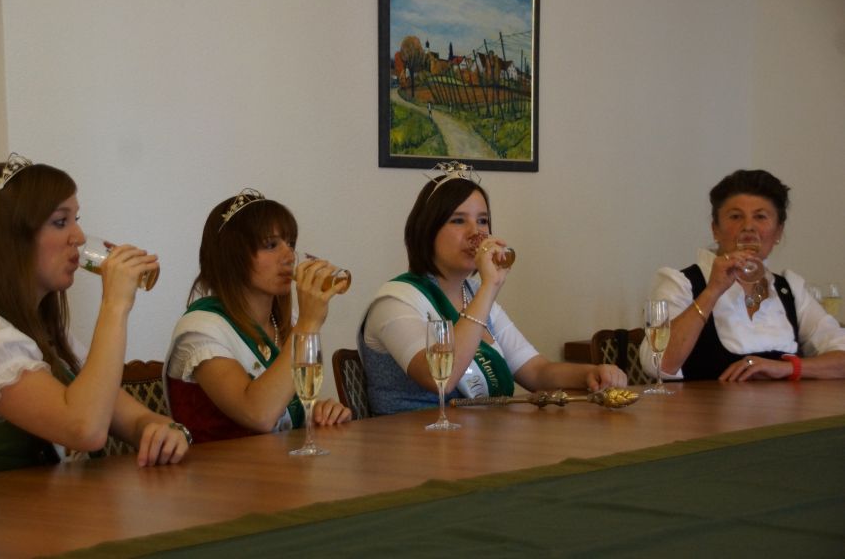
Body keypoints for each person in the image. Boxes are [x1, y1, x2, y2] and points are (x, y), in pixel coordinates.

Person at [0, 154, 190, 478]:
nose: (79, 236)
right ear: (11, 238)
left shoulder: (44, 331)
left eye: (76, 219)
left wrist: (164, 430)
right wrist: (115, 304)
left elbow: (132, 419)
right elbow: (85, 429)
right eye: (61, 222)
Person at [359, 162, 627, 416]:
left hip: (475, 436)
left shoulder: (474, 294)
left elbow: (536, 372)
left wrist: (590, 373)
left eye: (483, 221)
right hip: (410, 440)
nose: (476, 233)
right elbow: (441, 377)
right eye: (458, 221)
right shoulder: (395, 301)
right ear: (427, 230)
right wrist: (490, 286)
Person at [163, 188, 351, 443]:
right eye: (271, 245)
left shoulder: (287, 322)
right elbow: (259, 414)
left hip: (279, 465)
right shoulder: (200, 329)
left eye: (290, 244)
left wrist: (318, 412)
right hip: (219, 468)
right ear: (232, 256)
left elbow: (285, 411)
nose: (289, 256)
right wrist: (309, 324)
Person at [640, 169, 845, 382]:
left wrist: (787, 368)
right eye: (736, 216)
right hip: (704, 404)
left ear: (778, 232)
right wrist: (713, 290)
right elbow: (656, 365)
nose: (748, 227)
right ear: (715, 229)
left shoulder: (789, 289)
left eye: (760, 217)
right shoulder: (681, 283)